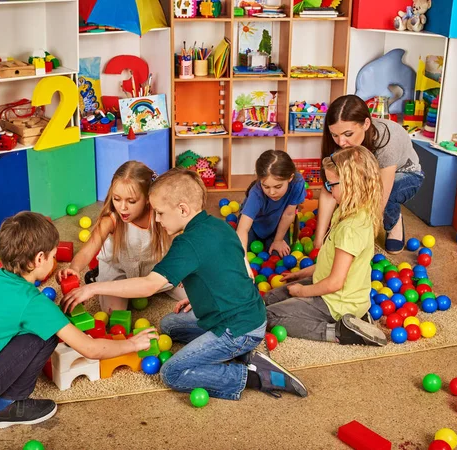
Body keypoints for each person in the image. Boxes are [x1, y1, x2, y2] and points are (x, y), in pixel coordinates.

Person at [61, 168, 308, 401]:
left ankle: (254, 375)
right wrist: (199, 296)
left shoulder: (187, 243)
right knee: (169, 325)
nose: (157, 220)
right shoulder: (216, 224)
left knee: (172, 373)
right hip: (249, 315)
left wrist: (92, 287)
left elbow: (148, 286)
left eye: (160, 213)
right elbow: (229, 270)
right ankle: (241, 354)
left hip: (238, 329)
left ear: (182, 209)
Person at [0, 212, 156, 448]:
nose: (56, 261)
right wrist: (132, 344)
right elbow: (90, 349)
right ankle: (4, 407)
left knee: (0, 336)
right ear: (39, 259)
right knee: (44, 337)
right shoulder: (33, 304)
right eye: (54, 256)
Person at [264, 146, 387, 346]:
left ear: (352, 184)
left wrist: (302, 292)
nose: (329, 190)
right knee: (269, 298)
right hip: (331, 290)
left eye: (332, 185)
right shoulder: (346, 211)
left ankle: (340, 331)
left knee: (270, 316)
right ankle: (357, 318)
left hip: (336, 301)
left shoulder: (352, 228)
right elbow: (334, 263)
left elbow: (335, 283)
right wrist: (304, 274)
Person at [57, 161, 186, 313]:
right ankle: (97, 274)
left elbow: (179, 244)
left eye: (131, 201)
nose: (122, 207)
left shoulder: (160, 215)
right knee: (114, 314)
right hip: (119, 271)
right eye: (117, 199)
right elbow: (87, 250)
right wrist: (74, 268)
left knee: (197, 294)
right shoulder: (111, 219)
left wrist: (183, 269)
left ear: (147, 198)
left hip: (154, 270)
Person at [315, 95, 424, 254]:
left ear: (366, 124)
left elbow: (380, 197)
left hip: (406, 174)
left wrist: (359, 242)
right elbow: (329, 187)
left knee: (375, 201)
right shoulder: (340, 142)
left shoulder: (387, 141)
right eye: (335, 135)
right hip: (369, 174)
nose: (340, 142)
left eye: (348, 134)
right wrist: (319, 241)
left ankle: (394, 222)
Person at [237, 150, 306, 256]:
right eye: (266, 186)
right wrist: (244, 260)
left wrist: (278, 241)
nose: (272, 192)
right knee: (238, 251)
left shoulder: (297, 182)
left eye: (278, 186)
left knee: (278, 256)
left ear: (290, 178)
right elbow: (243, 228)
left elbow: (288, 214)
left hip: (277, 223)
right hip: (253, 226)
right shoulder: (256, 194)